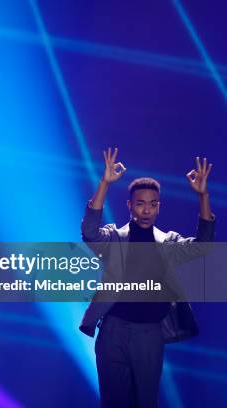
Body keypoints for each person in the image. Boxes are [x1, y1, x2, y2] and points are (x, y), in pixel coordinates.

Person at [80, 147, 215, 408]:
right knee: (113, 402)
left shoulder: (168, 242)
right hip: (113, 332)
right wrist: (105, 184)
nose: (146, 210)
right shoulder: (114, 238)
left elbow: (204, 245)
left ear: (158, 207)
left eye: (152, 205)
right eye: (140, 204)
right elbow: (89, 232)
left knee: (145, 402)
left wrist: (203, 196)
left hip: (149, 334)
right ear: (130, 205)